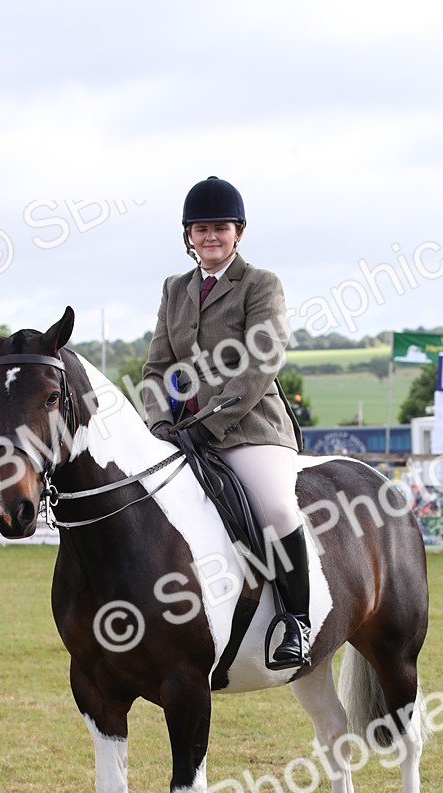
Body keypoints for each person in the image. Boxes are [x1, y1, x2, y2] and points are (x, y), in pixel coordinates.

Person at [142, 176, 310, 667]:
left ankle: (295, 622)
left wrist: (208, 424)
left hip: (250, 430)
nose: (210, 236)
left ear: (237, 232)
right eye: (201, 229)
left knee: (277, 509)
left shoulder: (260, 284)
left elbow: (260, 363)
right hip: (183, 435)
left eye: (220, 228)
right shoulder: (175, 290)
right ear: (188, 236)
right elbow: (156, 367)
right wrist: (158, 424)